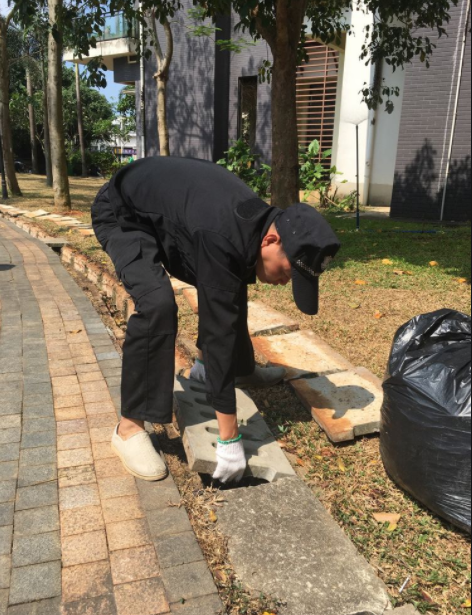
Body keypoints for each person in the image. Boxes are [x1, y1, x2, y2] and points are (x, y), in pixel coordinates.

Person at [92, 157, 341, 484]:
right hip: (123, 213)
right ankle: (128, 429)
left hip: (170, 212)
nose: (285, 282)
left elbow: (224, 298)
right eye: (289, 272)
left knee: (229, 282)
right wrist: (230, 438)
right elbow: (218, 329)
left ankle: (239, 369)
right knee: (157, 305)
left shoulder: (253, 225)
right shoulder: (221, 231)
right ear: (271, 241)